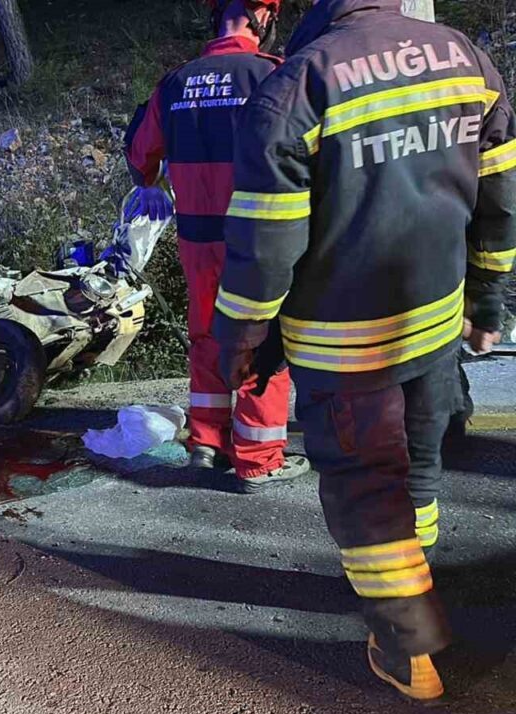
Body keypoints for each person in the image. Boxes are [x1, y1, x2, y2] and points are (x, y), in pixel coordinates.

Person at [215, 0, 514, 701]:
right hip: (434, 322)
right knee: (420, 460)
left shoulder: (297, 85)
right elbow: (500, 195)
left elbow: (266, 242)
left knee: (364, 485)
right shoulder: (463, 57)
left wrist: (244, 339)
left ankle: (408, 649)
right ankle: (420, 573)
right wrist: (488, 300)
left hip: (345, 343)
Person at [124, 0, 311, 492]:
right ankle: (260, 458)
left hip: (196, 239)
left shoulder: (176, 83)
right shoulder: (273, 74)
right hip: (255, 237)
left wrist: (151, 181)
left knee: (207, 334)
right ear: (264, 17)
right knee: (260, 340)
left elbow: (140, 151)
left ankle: (207, 443)